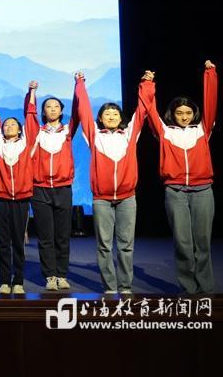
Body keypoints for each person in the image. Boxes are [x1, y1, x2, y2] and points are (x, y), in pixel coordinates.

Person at [139, 60, 218, 294]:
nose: (184, 117)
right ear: (172, 114)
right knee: (183, 243)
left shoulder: (203, 129)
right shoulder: (165, 132)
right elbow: (149, 109)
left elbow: (211, 101)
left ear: (194, 114)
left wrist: (210, 74)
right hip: (175, 192)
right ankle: (188, 288)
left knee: (202, 242)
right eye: (179, 113)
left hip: (203, 190)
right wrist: (148, 84)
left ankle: (206, 289)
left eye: (188, 113)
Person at [74, 73, 146, 295]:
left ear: (121, 117)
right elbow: (84, 112)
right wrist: (80, 85)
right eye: (107, 113)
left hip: (127, 198)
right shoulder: (95, 135)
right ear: (101, 118)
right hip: (102, 199)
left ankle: (125, 286)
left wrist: (147, 84)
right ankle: (109, 286)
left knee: (126, 244)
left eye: (115, 113)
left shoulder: (129, 134)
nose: (112, 116)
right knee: (104, 245)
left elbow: (142, 111)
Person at [0, 81, 40, 295]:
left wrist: (32, 93)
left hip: (22, 198)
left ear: (20, 129)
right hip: (0, 197)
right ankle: (4, 280)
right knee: (2, 240)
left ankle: (18, 280)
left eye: (12, 124)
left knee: (18, 240)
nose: (8, 126)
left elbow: (31, 118)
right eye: (5, 125)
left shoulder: (28, 143)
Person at [28, 80, 78, 291]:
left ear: (61, 111)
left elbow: (79, 111)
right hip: (39, 190)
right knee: (45, 236)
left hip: (63, 188)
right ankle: (50, 276)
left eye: (56, 106)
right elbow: (29, 114)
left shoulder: (67, 130)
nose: (53, 109)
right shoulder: (36, 132)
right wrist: (32, 92)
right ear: (43, 111)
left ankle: (62, 275)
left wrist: (78, 85)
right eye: (48, 106)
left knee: (62, 236)